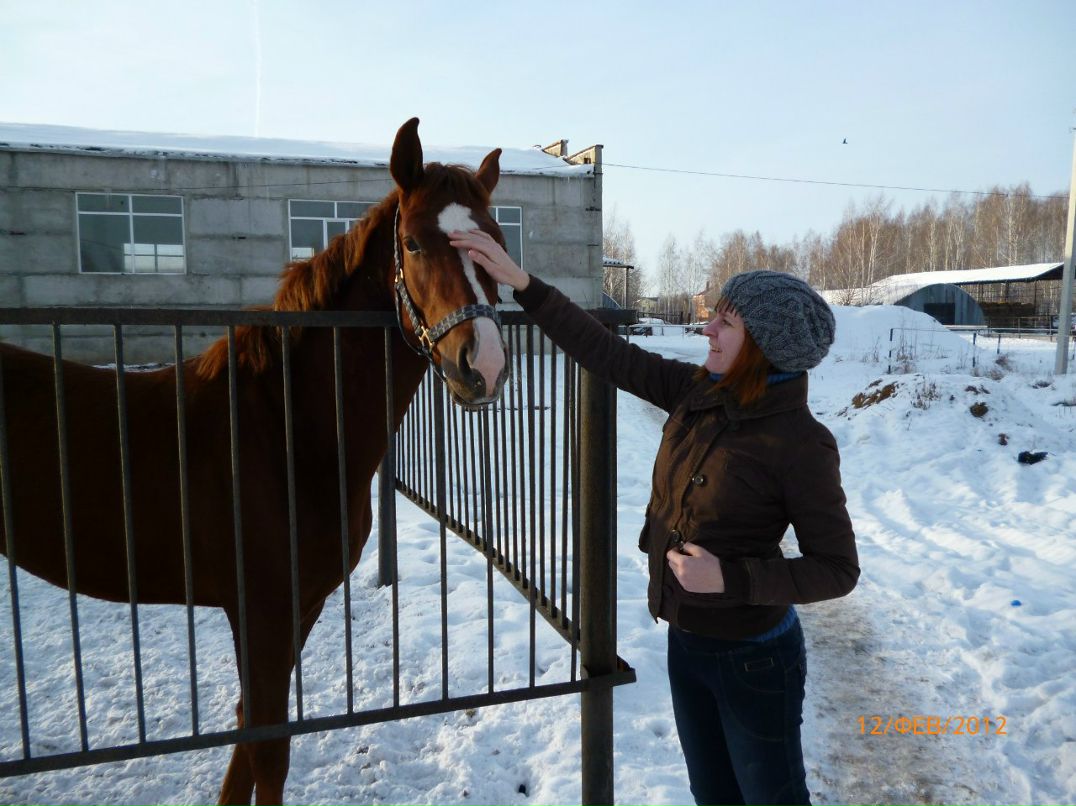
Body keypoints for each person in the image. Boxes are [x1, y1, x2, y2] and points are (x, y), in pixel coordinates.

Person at [449, 229, 859, 806]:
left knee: (772, 797)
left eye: (727, 323)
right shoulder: (698, 393)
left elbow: (838, 569)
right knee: (712, 793)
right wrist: (523, 286)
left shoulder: (799, 443)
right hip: (687, 644)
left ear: (763, 347)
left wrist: (732, 579)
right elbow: (608, 353)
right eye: (714, 315)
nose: (708, 329)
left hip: (755, 659)